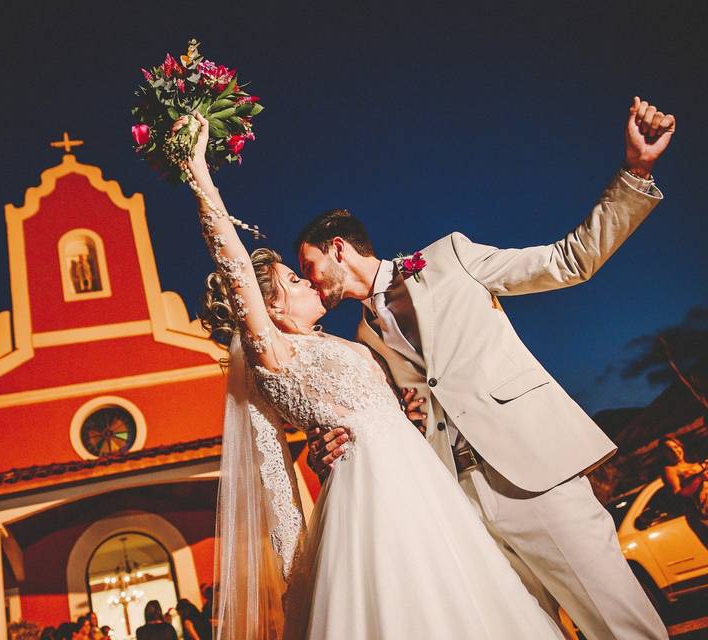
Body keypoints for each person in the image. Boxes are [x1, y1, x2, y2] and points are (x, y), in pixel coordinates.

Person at [179, 112, 565, 640]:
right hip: (373, 498)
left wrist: (403, 411)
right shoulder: (275, 351)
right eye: (294, 280)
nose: (307, 282)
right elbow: (235, 265)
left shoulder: (345, 341)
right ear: (266, 307)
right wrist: (199, 173)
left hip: (424, 483)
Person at [301, 96, 675, 639]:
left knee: (619, 624)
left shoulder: (451, 258)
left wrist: (636, 170)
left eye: (311, 267)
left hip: (534, 475)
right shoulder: (361, 340)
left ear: (338, 248)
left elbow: (569, 260)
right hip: (458, 504)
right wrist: (330, 448)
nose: (311, 282)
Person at [661, 436, 708, 542]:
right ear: (664, 455)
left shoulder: (695, 464)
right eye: (669, 450)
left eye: (676, 446)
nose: (674, 451)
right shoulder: (670, 470)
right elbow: (678, 494)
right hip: (701, 515)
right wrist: (699, 478)